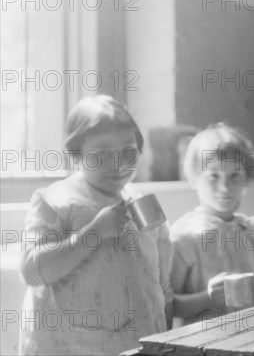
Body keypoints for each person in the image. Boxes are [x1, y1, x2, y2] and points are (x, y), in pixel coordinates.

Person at [19, 95, 173, 356]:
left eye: (129, 152)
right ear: (76, 155)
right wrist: (93, 233)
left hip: (137, 343)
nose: (118, 165)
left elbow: (163, 286)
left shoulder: (142, 201)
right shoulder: (55, 201)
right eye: (101, 154)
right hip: (71, 347)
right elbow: (32, 272)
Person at [169, 123, 254, 325]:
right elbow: (167, 304)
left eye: (234, 176)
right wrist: (207, 297)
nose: (224, 187)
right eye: (213, 176)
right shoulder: (183, 237)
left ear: (246, 180)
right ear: (194, 179)